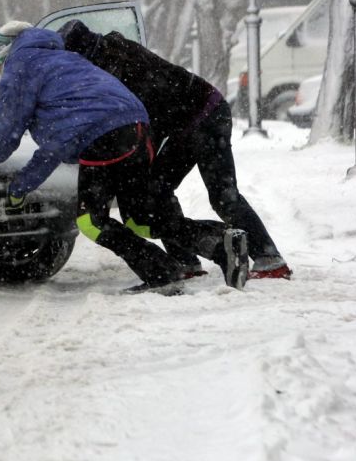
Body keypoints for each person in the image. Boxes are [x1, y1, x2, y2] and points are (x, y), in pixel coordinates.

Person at [0, 21, 251, 293]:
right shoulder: (66, 59)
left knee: (91, 221)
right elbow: (63, 133)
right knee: (141, 219)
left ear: (4, 52)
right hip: (137, 126)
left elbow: (8, 129)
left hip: (104, 137)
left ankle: (162, 273)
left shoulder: (22, 66)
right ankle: (219, 241)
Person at [58, 19, 291, 280]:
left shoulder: (116, 68)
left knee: (223, 195)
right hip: (184, 124)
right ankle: (185, 261)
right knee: (156, 190)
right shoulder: (112, 52)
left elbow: (143, 119)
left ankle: (270, 260)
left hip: (207, 114)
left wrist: (131, 163)